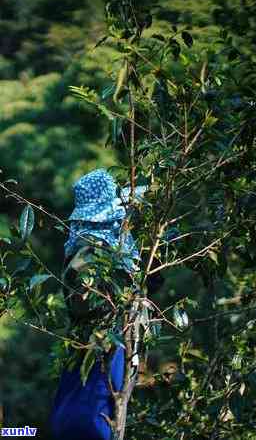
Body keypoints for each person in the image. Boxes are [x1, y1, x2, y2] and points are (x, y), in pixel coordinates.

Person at [50, 169, 163, 440]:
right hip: (100, 348)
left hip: (109, 347)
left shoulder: (108, 249)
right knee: (91, 418)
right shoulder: (88, 252)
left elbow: (149, 281)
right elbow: (87, 301)